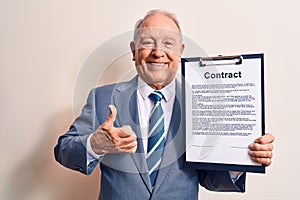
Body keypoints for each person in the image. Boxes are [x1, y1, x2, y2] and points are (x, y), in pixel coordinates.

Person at [54, 9, 274, 200]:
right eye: (147, 42)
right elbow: (63, 150)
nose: (158, 52)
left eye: (168, 43)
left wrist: (241, 159)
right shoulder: (102, 97)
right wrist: (95, 144)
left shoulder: (201, 102)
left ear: (180, 51)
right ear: (133, 50)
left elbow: (210, 178)